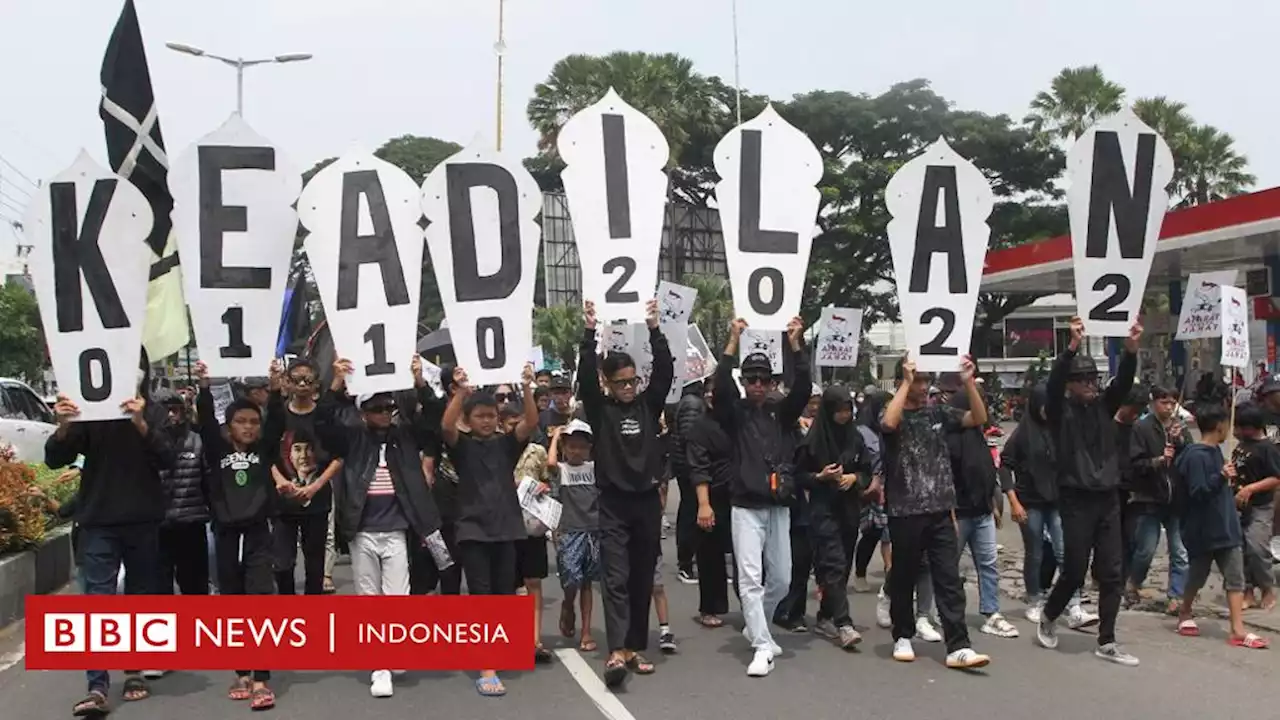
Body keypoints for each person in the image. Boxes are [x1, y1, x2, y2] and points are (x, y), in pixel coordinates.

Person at [48, 354, 174, 717]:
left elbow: (168, 457)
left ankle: (134, 671)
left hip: (142, 519)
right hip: (99, 520)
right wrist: (64, 427)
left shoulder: (153, 412)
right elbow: (55, 458)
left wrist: (139, 422)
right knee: (97, 603)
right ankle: (97, 686)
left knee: (139, 599)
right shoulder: (90, 411)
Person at [320, 356, 445, 699]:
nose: (382, 414)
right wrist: (336, 385)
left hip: (396, 531)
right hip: (362, 531)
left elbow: (433, 421)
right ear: (363, 412)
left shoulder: (404, 437)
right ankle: (380, 665)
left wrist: (420, 383)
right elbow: (321, 423)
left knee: (398, 600)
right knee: (369, 601)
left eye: (387, 408)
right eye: (375, 409)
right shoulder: (352, 439)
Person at [578, 298, 674, 687]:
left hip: (647, 502)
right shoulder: (601, 411)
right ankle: (617, 650)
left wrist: (654, 328)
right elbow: (585, 376)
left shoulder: (649, 405)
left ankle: (634, 647)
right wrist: (588, 332)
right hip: (614, 504)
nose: (629, 388)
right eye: (621, 383)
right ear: (608, 383)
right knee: (615, 577)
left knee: (640, 579)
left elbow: (665, 372)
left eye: (632, 381)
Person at [1037, 317, 1142, 667]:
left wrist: (1130, 349)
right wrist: (1071, 348)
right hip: (1075, 500)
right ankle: (1050, 614)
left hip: (1108, 498)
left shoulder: (1104, 407)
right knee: (1075, 570)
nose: (1090, 385)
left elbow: (1124, 382)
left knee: (1112, 571)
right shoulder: (1058, 412)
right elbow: (1052, 385)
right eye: (1082, 380)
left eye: (1093, 378)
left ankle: (1107, 640)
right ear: (1070, 385)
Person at [712, 316, 811, 677]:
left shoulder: (782, 413)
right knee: (750, 579)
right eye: (750, 379)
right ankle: (760, 645)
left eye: (763, 379)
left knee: (782, 579)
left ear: (772, 382)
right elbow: (719, 385)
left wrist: (796, 343)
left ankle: (760, 627)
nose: (756, 385)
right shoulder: (734, 414)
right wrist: (732, 339)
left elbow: (804, 387)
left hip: (778, 505)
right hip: (745, 506)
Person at [880, 354, 991, 669]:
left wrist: (968, 381)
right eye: (919, 379)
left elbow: (978, 418)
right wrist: (904, 380)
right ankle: (903, 634)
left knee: (948, 578)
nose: (924, 386)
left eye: (927, 380)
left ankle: (958, 645)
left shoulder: (939, 412)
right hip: (905, 510)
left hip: (941, 509)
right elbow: (889, 424)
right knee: (904, 576)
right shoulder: (892, 412)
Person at [442, 363, 538, 697]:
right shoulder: (462, 445)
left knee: (504, 595)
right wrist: (462, 393)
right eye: (479, 415)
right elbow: (445, 426)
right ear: (468, 419)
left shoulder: (506, 444)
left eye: (490, 415)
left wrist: (526, 387)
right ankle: (486, 665)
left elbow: (531, 423)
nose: (486, 420)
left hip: (507, 528)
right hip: (473, 530)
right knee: (481, 595)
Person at [194, 361, 283, 711]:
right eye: (240, 422)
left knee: (259, 602)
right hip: (226, 535)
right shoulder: (217, 453)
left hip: (259, 535)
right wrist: (202, 387)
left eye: (253, 422)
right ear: (229, 427)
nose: (248, 427)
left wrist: (275, 389)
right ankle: (242, 671)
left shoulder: (264, 452)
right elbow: (203, 424)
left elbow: (277, 423)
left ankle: (261, 677)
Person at [1002, 384, 1098, 627]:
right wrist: (1013, 502)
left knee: (1066, 552)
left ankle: (1073, 603)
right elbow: (1004, 467)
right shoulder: (1022, 434)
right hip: (1030, 502)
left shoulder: (1061, 430)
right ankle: (1034, 600)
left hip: (1058, 501)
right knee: (1034, 554)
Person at [1177, 404, 1269, 648]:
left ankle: (1237, 628)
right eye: (1227, 424)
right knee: (1198, 575)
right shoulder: (1195, 455)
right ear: (1219, 426)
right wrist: (1220, 476)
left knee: (1235, 577)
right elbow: (1198, 491)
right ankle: (1185, 610)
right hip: (1203, 528)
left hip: (1226, 525)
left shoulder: (1217, 451)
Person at [796, 386, 881, 649]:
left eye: (848, 411)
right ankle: (844, 623)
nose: (844, 416)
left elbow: (867, 470)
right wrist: (820, 477)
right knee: (833, 562)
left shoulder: (854, 438)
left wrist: (854, 478)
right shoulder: (813, 440)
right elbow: (798, 475)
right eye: (839, 411)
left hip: (849, 510)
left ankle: (825, 615)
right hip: (823, 510)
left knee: (842, 565)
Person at [939, 375, 1018, 639]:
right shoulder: (950, 442)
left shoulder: (978, 439)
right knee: (946, 566)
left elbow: (986, 473)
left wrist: (993, 505)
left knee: (988, 563)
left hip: (981, 511)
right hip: (958, 514)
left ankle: (991, 613)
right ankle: (933, 612)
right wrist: (949, 513)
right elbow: (947, 480)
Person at [271, 359, 343, 596]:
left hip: (317, 499)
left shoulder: (324, 414)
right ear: (287, 383)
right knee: (282, 564)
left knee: (315, 566)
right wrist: (281, 481)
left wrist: (316, 486)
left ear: (315, 385)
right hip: (283, 501)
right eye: (296, 379)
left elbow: (339, 456)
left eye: (307, 380)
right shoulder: (278, 414)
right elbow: (265, 453)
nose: (302, 384)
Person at [1126, 385, 1191, 613]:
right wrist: (1157, 460)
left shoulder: (1179, 427)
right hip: (1150, 497)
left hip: (1176, 500)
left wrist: (1180, 441)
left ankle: (1176, 596)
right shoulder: (1141, 428)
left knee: (1179, 551)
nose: (1169, 407)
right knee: (1146, 549)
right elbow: (1134, 464)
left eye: (1172, 402)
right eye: (1164, 402)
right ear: (1153, 403)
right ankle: (1133, 582)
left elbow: (1190, 457)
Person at [152, 388, 211, 596]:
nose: (170, 416)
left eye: (174, 410)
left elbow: (208, 482)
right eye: (164, 410)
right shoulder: (144, 443)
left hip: (191, 525)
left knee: (195, 590)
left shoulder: (196, 441)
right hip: (156, 528)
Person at [689, 381, 738, 628]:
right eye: (708, 392)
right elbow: (699, 468)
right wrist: (703, 504)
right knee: (710, 555)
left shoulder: (739, 422)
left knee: (747, 557)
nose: (711, 396)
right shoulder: (701, 427)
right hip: (712, 495)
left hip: (742, 495)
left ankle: (753, 606)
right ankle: (709, 606)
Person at [509, 403, 555, 664]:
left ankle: (534, 639)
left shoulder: (537, 451)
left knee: (533, 582)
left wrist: (541, 487)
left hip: (532, 526)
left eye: (520, 421)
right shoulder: (497, 450)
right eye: (510, 422)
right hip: (505, 526)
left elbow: (549, 479)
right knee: (511, 584)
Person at [550, 420, 601, 653]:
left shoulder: (594, 469)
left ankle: (587, 631)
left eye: (581, 446)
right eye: (571, 446)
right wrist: (555, 436)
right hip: (569, 531)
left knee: (588, 582)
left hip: (592, 531)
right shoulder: (561, 470)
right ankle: (568, 605)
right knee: (572, 579)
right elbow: (551, 463)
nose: (576, 451)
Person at [1229, 403, 1280, 611]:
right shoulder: (1241, 445)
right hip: (1239, 506)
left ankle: (1267, 587)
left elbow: (1276, 478)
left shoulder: (1268, 449)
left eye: (1242, 427)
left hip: (1260, 505)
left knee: (1257, 547)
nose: (1238, 431)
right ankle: (1247, 590)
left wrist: (1251, 489)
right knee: (1240, 550)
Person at [669, 381, 707, 585]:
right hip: (690, 466)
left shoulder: (686, 401)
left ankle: (688, 561)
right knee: (691, 512)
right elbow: (691, 437)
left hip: (685, 464)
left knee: (690, 511)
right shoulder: (693, 403)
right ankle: (686, 563)